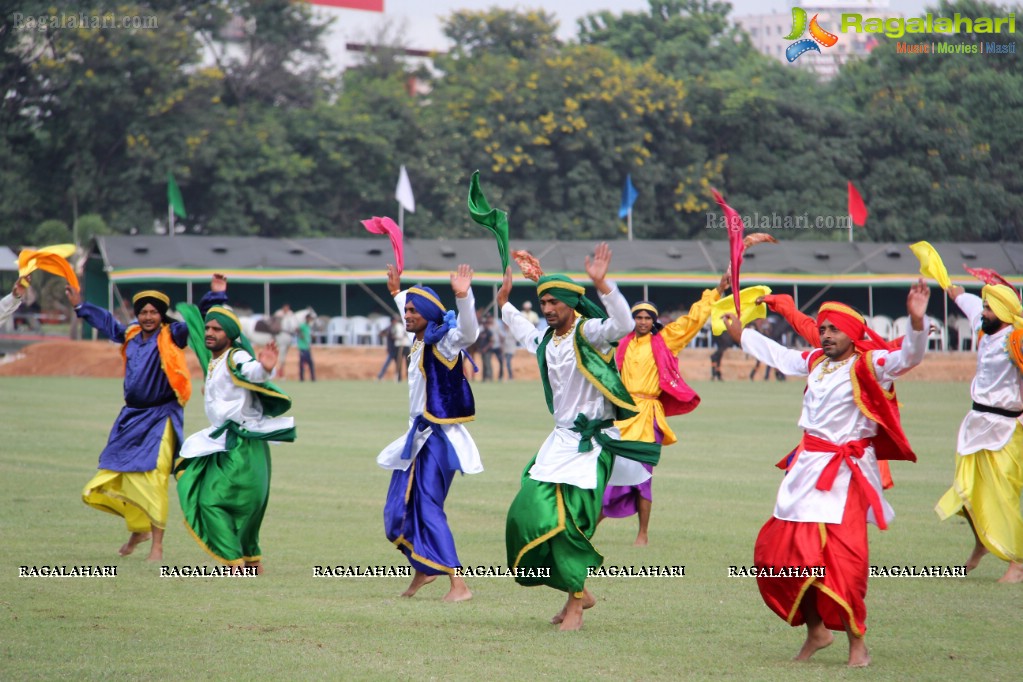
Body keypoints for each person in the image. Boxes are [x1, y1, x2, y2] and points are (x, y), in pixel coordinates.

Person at [721, 280, 930, 667]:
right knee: (780, 554)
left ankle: (858, 645)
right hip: (805, 471)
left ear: (852, 334)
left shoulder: (870, 365)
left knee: (843, 564)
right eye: (824, 329)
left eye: (834, 329)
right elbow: (782, 356)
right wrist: (742, 336)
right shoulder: (817, 361)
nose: (827, 335)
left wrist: (917, 323)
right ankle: (817, 631)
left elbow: (907, 357)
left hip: (847, 475)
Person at [499, 243, 660, 631]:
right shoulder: (547, 341)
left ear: (572, 303)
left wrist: (604, 285)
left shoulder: (590, 333)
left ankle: (574, 605)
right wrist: (504, 304)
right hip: (558, 443)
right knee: (527, 514)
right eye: (544, 303)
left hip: (593, 446)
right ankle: (578, 590)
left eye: (554, 302)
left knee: (576, 526)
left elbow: (620, 325)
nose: (548, 309)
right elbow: (524, 332)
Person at [66, 275, 226, 561]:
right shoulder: (131, 334)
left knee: (154, 477)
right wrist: (81, 306)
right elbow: (109, 325)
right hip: (131, 417)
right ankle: (139, 530)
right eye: (143, 312)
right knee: (117, 474)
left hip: (163, 416)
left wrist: (216, 295)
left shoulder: (172, 333)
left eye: (153, 312)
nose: (148, 316)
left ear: (161, 314)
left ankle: (158, 545)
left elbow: (200, 321)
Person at [376, 263, 481, 601]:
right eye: (405, 310)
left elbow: (470, 334)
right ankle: (423, 569)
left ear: (427, 315)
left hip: (438, 439)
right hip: (415, 439)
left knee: (430, 508)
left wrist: (463, 298)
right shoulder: (420, 338)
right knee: (397, 513)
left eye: (412, 310)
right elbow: (415, 313)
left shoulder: (445, 341)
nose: (407, 314)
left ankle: (458, 584)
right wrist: (396, 293)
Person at [175, 282, 296, 574]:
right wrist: (217, 294)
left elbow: (250, 371)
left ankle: (236, 563)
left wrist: (264, 368)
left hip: (241, 445)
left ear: (230, 334)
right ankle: (250, 561)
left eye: (216, 329)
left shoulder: (236, 356)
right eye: (207, 329)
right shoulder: (215, 361)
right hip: (223, 442)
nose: (209, 333)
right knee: (221, 498)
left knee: (212, 502)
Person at [601, 274, 728, 545]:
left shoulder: (666, 340)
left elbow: (694, 320)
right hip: (622, 418)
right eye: (638, 317)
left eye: (648, 318)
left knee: (644, 476)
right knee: (614, 473)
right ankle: (592, 523)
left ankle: (643, 533)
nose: (643, 322)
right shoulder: (620, 344)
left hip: (648, 416)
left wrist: (716, 291)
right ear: (632, 319)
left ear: (654, 320)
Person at [936, 284, 1023, 583]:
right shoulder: (986, 330)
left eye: (989, 308)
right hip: (975, 425)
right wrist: (957, 294)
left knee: (1003, 497)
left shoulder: (1017, 340)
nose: (983, 312)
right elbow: (972, 307)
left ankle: (1018, 561)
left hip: (1007, 430)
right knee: (967, 491)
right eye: (985, 307)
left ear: (1003, 312)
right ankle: (982, 542)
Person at [297, 312, 316, 382]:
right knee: (302, 363)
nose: (310, 320)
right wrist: (300, 334)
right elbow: (297, 329)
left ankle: (313, 378)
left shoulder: (308, 327)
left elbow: (308, 335)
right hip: (302, 347)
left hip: (307, 347)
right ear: (306, 319)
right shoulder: (303, 325)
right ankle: (302, 378)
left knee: (310, 363)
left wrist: (312, 337)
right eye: (309, 318)